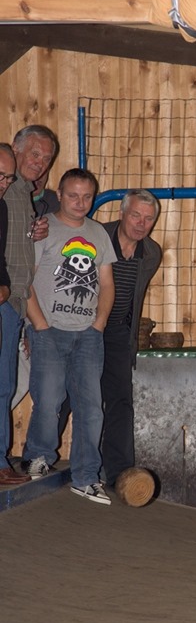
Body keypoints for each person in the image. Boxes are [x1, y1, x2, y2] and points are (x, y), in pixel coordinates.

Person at [21, 168, 117, 505]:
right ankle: (38, 456)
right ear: (59, 195)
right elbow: (25, 279)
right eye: (73, 195)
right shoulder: (43, 229)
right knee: (48, 401)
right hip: (49, 330)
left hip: (88, 335)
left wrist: (99, 324)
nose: (80, 202)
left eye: (87, 196)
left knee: (91, 408)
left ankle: (86, 477)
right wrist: (39, 325)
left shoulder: (98, 233)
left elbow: (107, 283)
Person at [0, 125, 58, 475]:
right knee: (3, 385)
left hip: (16, 303)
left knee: (6, 384)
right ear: (16, 150)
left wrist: (32, 232)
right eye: (35, 154)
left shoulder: (21, 192)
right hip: (6, 300)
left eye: (47, 158)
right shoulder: (9, 189)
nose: (40, 162)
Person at [101, 189, 162, 487]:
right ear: (122, 213)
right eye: (136, 215)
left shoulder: (151, 253)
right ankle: (43, 460)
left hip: (118, 333)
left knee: (121, 400)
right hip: (83, 328)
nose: (141, 223)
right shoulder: (96, 237)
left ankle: (119, 475)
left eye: (148, 219)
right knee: (68, 394)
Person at [0, 143, 32, 484]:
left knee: (3, 384)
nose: (4, 184)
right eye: (0, 176)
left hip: (6, 305)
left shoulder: (3, 206)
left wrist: (6, 288)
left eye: (9, 178)